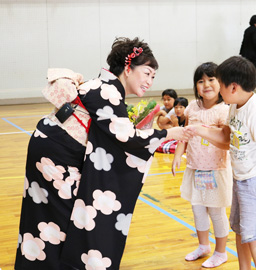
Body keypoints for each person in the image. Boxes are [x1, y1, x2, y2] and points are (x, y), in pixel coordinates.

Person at [15, 37, 188, 270]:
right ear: (128, 68)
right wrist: (168, 134)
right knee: (61, 222)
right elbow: (128, 139)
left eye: (153, 76)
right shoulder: (108, 91)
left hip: (49, 148)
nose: (149, 81)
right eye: (146, 73)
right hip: (57, 157)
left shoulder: (102, 86)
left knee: (47, 219)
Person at [185, 56, 256, 270]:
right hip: (240, 179)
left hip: (255, 182)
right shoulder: (234, 105)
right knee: (240, 231)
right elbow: (227, 139)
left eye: (220, 84)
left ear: (233, 87)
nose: (217, 90)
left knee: (254, 237)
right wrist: (199, 130)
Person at [172, 62, 232, 268]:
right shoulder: (192, 106)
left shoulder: (224, 110)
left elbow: (226, 141)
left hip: (216, 170)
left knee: (216, 211)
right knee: (197, 209)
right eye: (201, 81)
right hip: (195, 168)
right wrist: (178, 155)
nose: (206, 84)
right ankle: (204, 245)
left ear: (220, 83)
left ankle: (221, 251)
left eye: (211, 79)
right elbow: (185, 134)